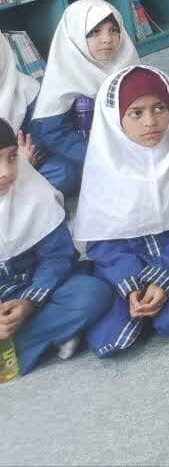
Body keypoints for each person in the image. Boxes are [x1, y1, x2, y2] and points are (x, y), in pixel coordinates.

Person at [74, 67, 169, 357]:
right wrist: (131, 286)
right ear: (115, 118)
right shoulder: (103, 167)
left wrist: (163, 278)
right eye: (136, 113)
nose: (150, 121)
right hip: (128, 260)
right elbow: (103, 243)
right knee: (109, 337)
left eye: (159, 108)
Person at [0, 121, 113, 375]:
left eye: (12, 157)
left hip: (42, 289)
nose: (6, 172)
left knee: (92, 293)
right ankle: (55, 333)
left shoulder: (34, 194)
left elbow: (57, 257)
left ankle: (18, 345)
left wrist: (29, 302)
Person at [28, 0, 140, 194]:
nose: (107, 39)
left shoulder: (127, 64)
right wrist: (97, 157)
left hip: (117, 142)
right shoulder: (63, 76)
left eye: (113, 30)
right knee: (65, 174)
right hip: (77, 150)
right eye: (95, 32)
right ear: (75, 36)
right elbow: (55, 134)